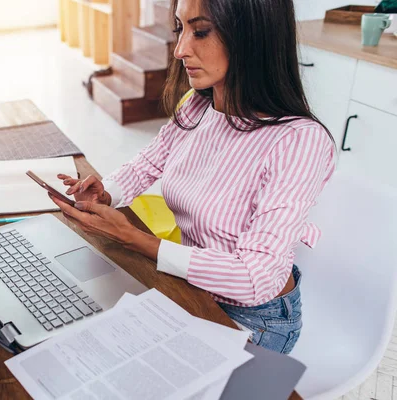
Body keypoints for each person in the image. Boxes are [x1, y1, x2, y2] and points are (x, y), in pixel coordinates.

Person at [50, 0, 336, 354]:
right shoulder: (198, 105)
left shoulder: (299, 141)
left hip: (253, 320)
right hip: (193, 287)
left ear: (252, 36)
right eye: (179, 29)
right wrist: (107, 192)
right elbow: (148, 163)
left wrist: (135, 239)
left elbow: (255, 278)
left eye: (200, 32)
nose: (182, 49)